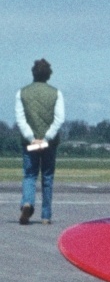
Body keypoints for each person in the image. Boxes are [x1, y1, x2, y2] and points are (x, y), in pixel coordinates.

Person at [15, 58, 64, 225]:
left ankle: (27, 202)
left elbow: (20, 119)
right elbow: (59, 119)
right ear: (48, 75)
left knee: (29, 175)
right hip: (50, 143)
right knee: (47, 177)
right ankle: (46, 215)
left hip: (29, 142)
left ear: (33, 73)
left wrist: (32, 138)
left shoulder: (22, 93)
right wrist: (46, 138)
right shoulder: (56, 93)